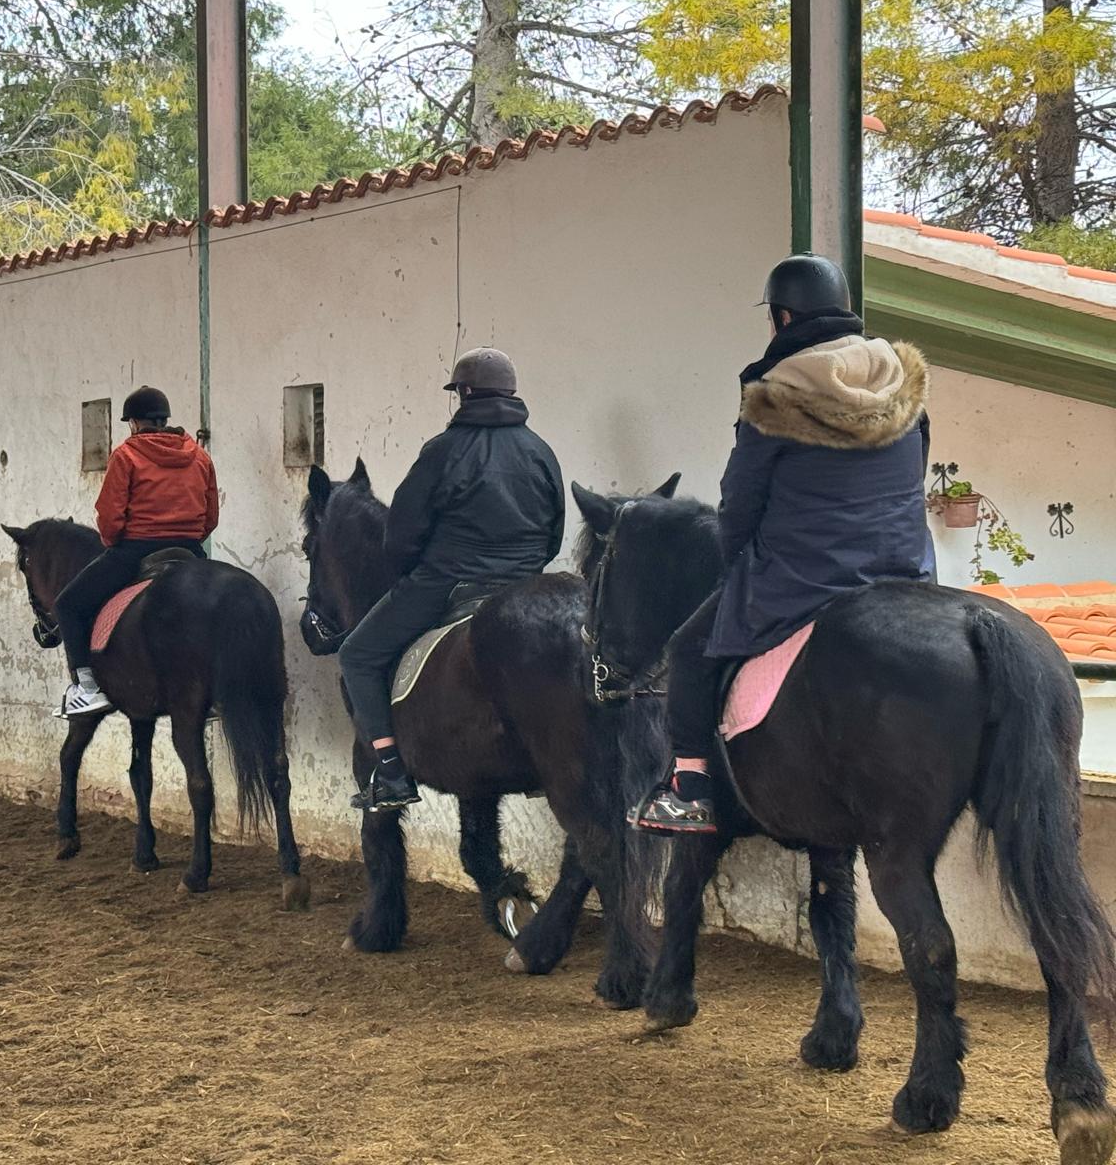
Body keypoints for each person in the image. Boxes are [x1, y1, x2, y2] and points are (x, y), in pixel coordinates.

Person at [631, 253, 933, 834]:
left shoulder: (774, 396)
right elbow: (913, 478)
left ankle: (688, 787)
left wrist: (734, 564)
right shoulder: (904, 386)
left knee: (690, 649)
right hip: (904, 570)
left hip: (804, 576)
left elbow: (739, 502)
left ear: (784, 317)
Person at [339, 347, 565, 812]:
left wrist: (412, 571)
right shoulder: (541, 451)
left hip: (447, 581)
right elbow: (554, 535)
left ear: (463, 393)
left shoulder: (443, 451)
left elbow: (401, 533)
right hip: (522, 586)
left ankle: (390, 772)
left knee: (357, 655)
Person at [55, 386, 218, 718]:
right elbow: (211, 514)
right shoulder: (200, 456)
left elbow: (111, 516)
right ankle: (214, 691)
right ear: (165, 419)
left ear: (133, 424)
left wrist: (114, 542)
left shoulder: (126, 455)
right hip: (189, 549)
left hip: (136, 549)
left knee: (68, 605)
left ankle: (86, 689)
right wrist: (189, 538)